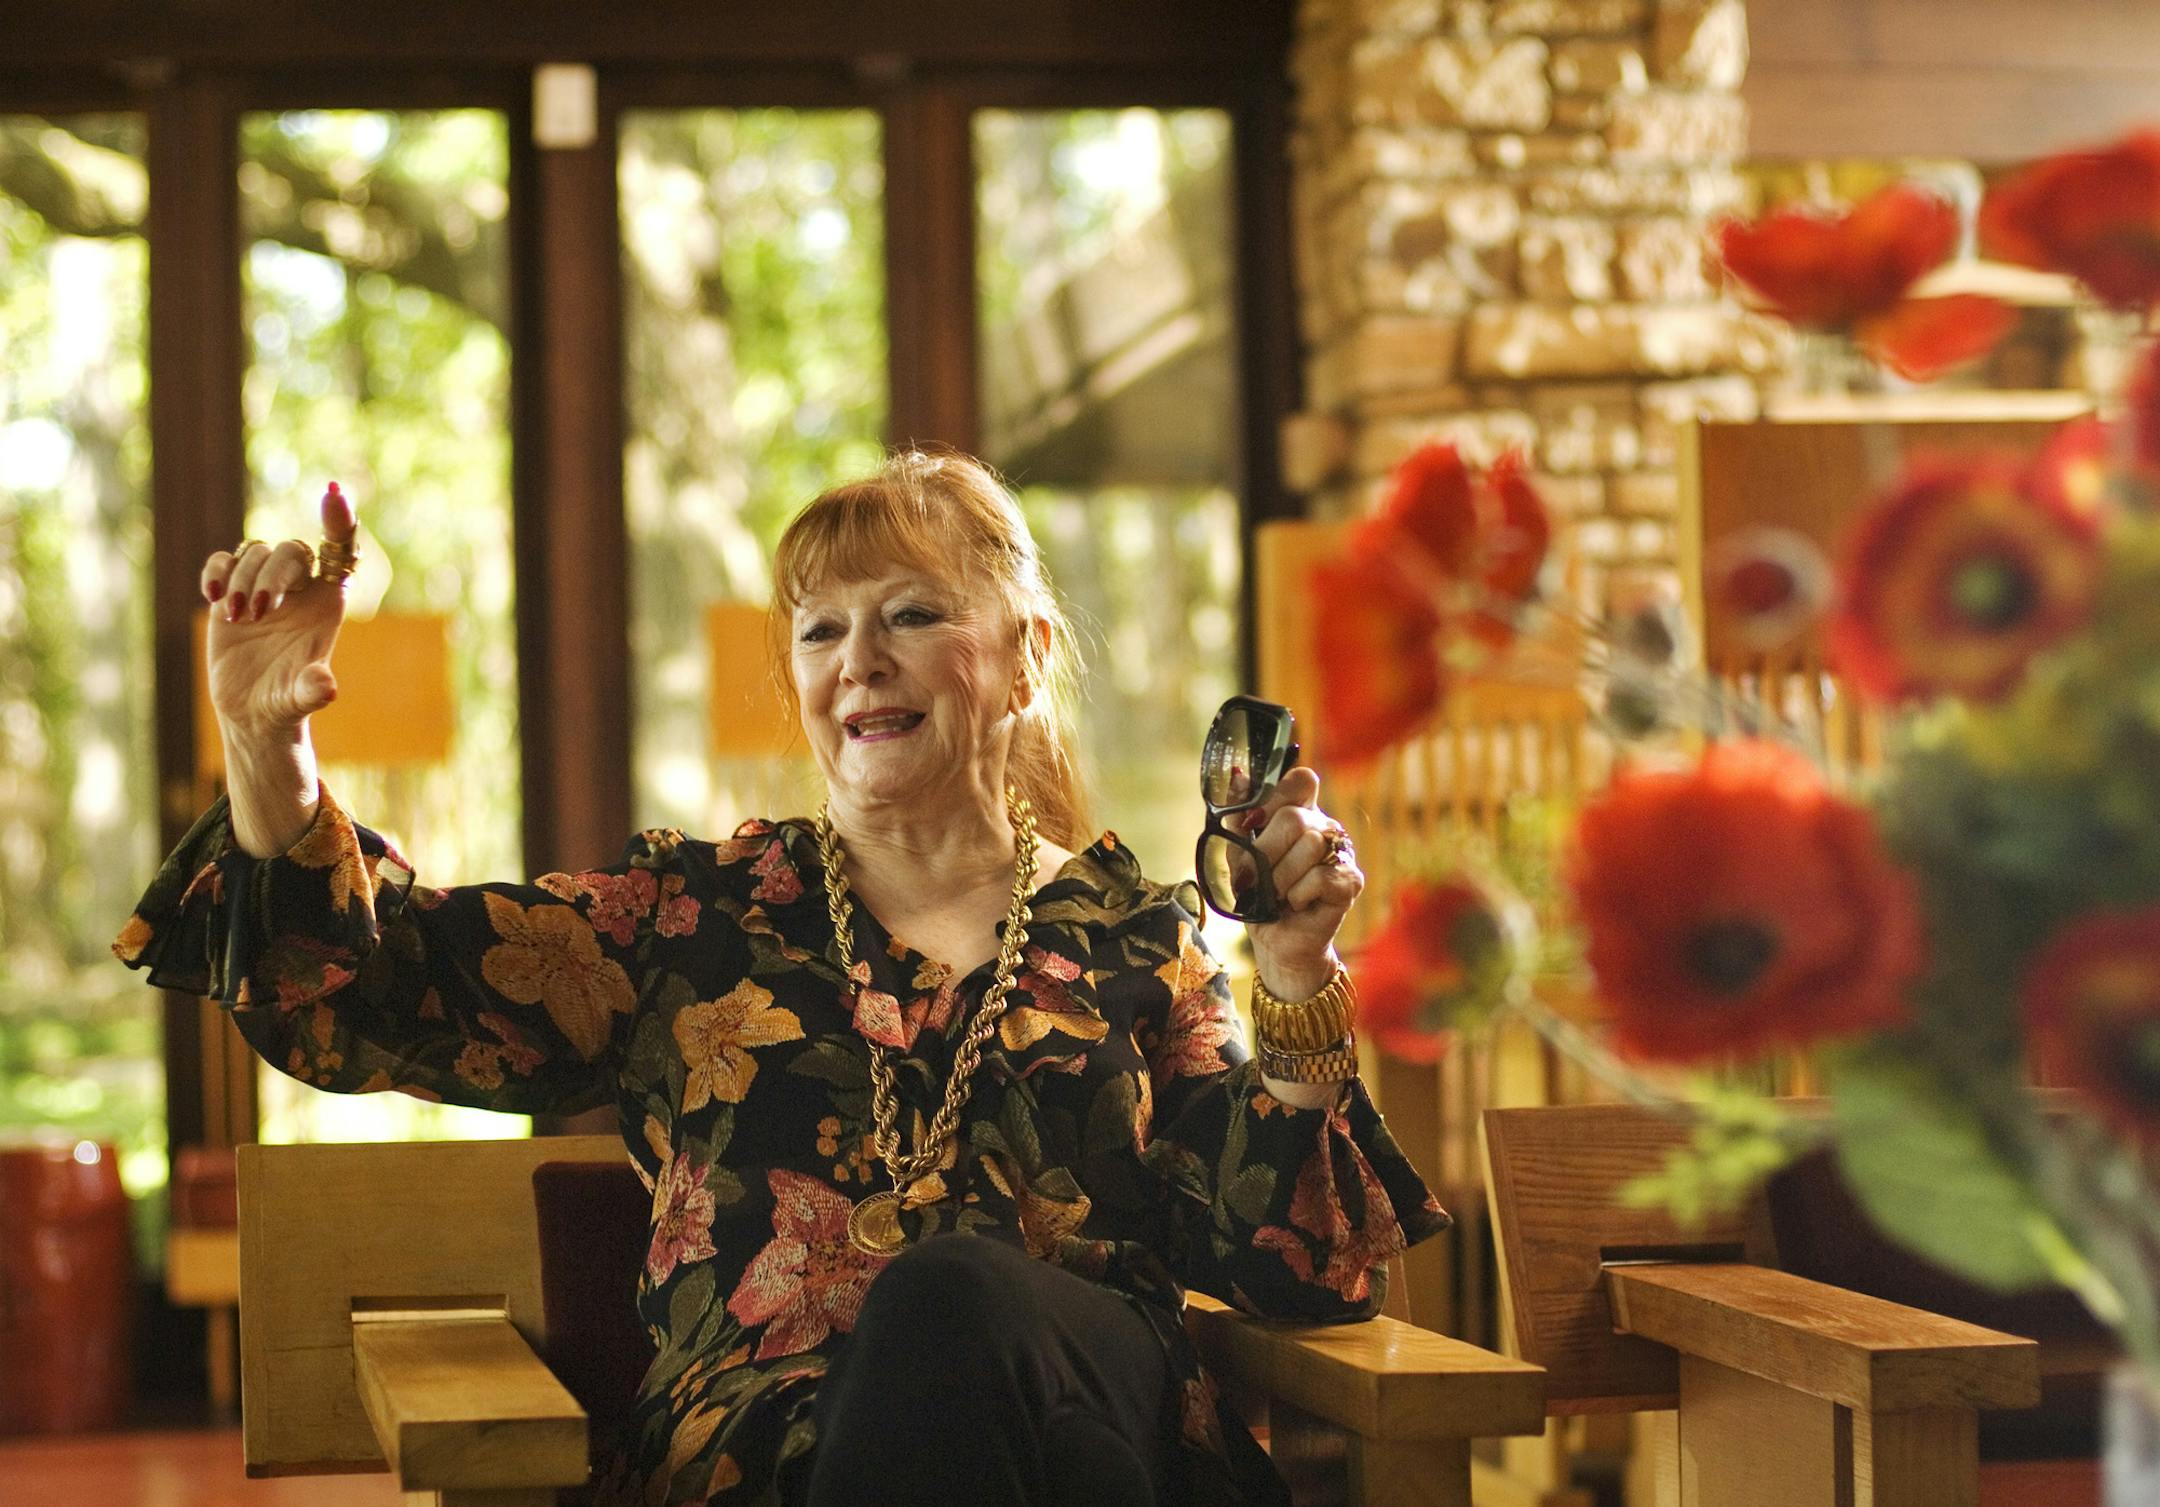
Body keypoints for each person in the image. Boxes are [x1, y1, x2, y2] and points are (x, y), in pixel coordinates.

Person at [116, 451, 1449, 1507]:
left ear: (1031, 655)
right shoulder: (694, 919)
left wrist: (1289, 964)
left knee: (960, 1300)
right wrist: (265, 755)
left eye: (911, 616)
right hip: (765, 1464)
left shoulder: (1132, 933)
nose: (856, 661)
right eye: (819, 633)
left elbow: (1290, 1270)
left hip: (1085, 1406)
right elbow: (373, 981)